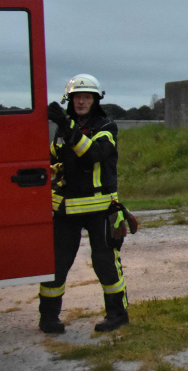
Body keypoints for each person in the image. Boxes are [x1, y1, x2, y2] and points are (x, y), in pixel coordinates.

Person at [42, 74, 129, 334]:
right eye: (77, 97)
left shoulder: (107, 127)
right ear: (70, 100)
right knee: (56, 264)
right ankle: (48, 317)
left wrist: (67, 126)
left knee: (105, 263)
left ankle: (117, 314)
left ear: (95, 100)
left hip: (100, 210)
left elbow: (93, 154)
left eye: (86, 97)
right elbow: (54, 157)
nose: (81, 101)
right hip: (65, 209)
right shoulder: (62, 128)